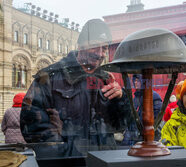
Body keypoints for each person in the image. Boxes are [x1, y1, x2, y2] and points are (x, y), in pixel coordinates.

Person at [20, 19, 130, 158]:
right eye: (95, 46)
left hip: (104, 161)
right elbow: (31, 126)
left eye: (105, 48)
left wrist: (121, 100)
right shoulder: (50, 77)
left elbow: (122, 125)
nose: (100, 53)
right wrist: (65, 153)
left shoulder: (107, 80)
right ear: (80, 45)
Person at [121, 74, 162, 146]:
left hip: (146, 137)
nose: (136, 83)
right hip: (133, 136)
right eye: (135, 81)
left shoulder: (154, 96)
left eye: (138, 81)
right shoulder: (136, 97)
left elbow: (156, 117)